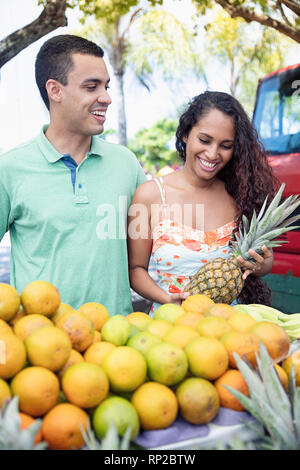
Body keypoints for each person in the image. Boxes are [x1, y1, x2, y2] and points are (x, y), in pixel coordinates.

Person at [0, 34, 146, 316]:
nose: (106, 97)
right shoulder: (10, 169)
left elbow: (159, 247)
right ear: (55, 90)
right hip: (43, 346)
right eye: (91, 87)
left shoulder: (126, 164)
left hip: (119, 347)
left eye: (105, 86)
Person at [128, 91, 277, 315]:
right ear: (186, 134)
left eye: (225, 145)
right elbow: (135, 269)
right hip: (170, 324)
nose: (212, 153)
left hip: (230, 326)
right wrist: (168, 299)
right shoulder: (149, 195)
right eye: (205, 140)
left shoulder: (240, 195)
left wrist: (261, 265)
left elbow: (264, 263)